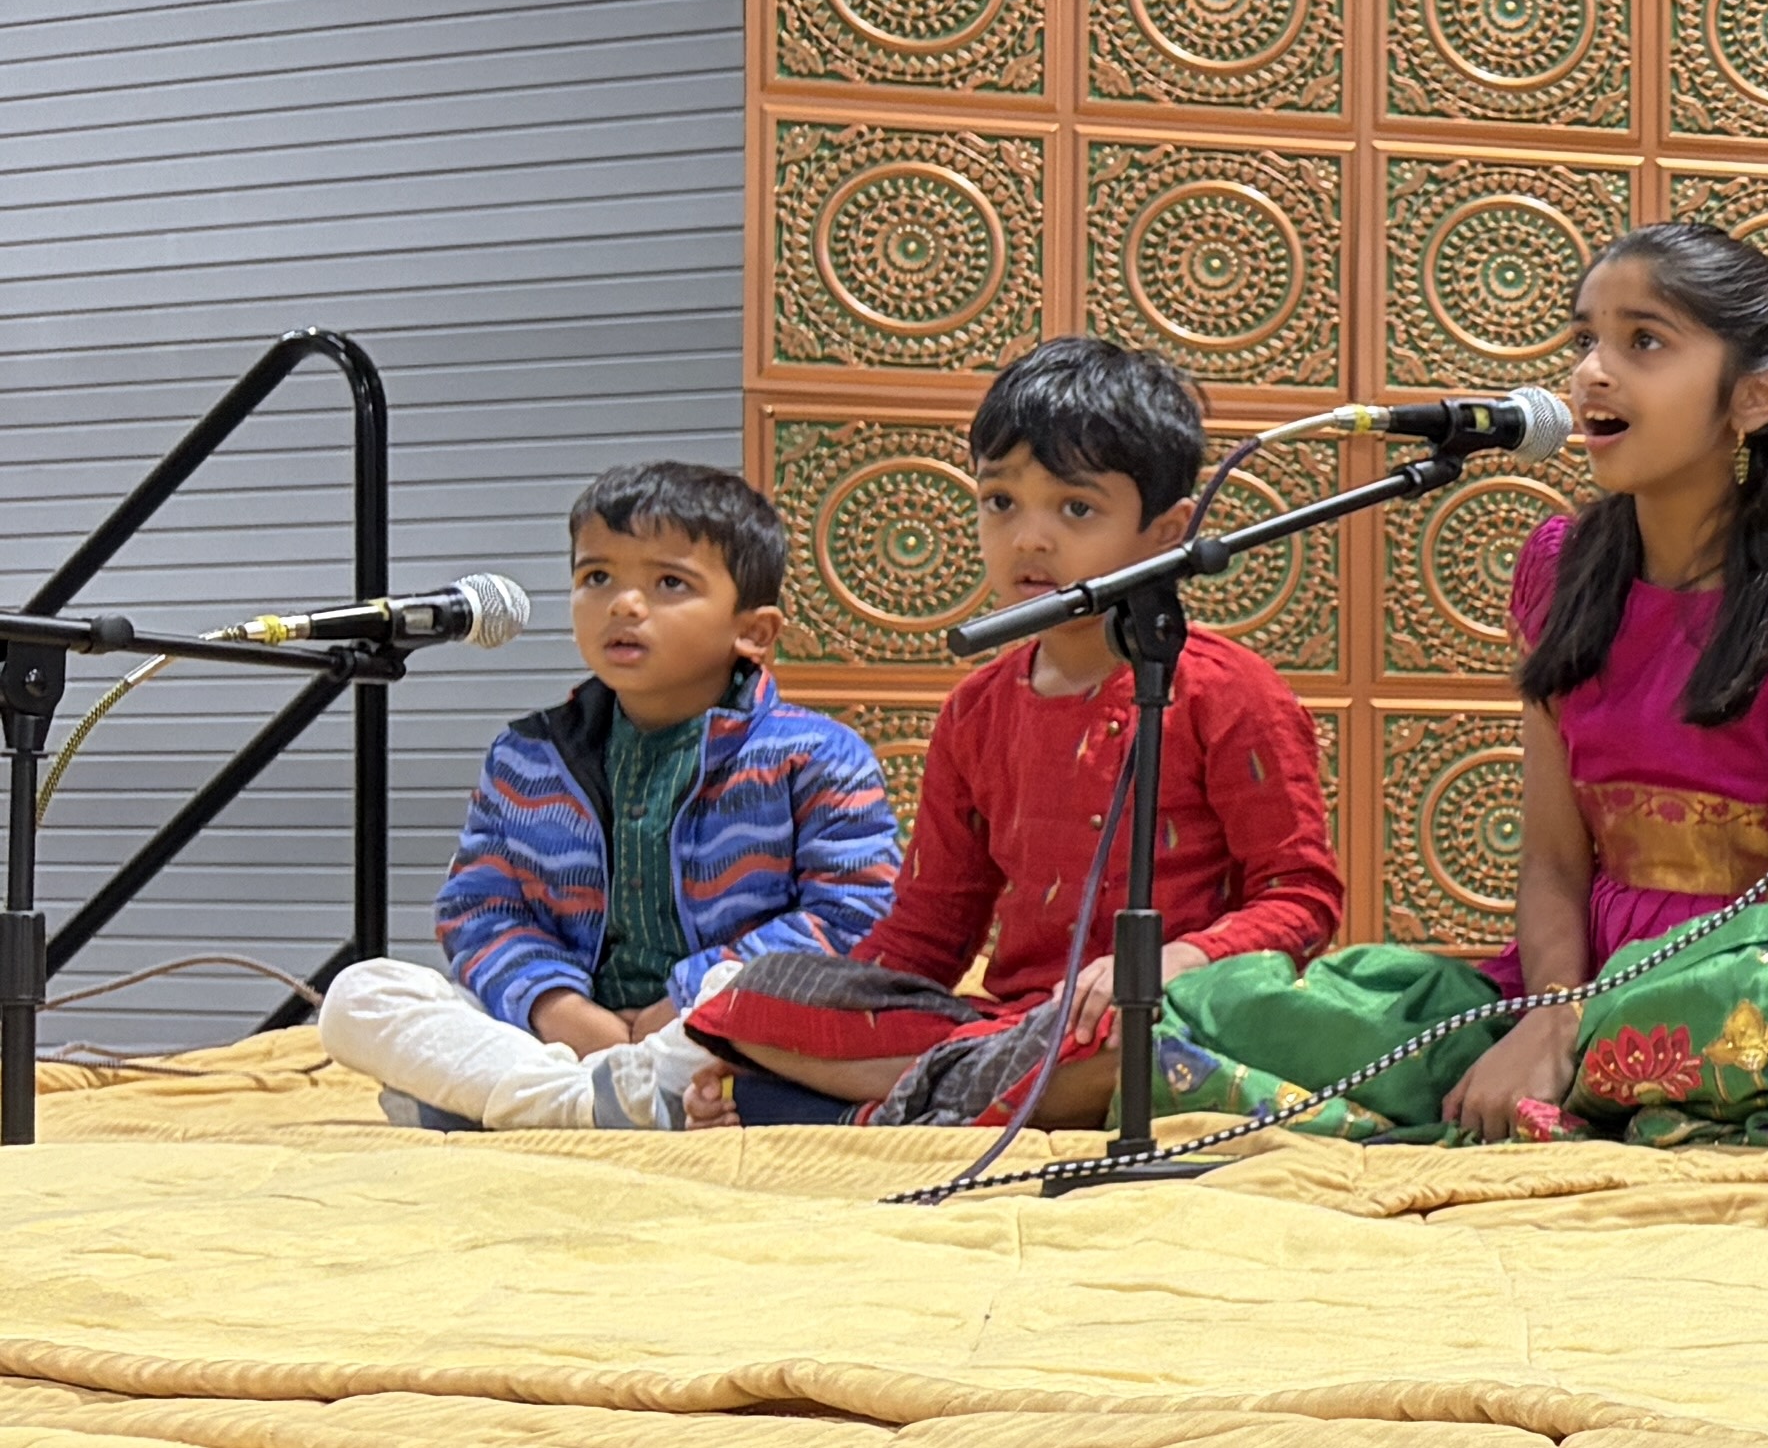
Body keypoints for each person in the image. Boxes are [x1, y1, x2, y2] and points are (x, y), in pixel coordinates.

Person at [1164, 223, 1768, 1150]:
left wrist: (1588, 1019)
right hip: (1566, 977)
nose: (1591, 371)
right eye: (1585, 338)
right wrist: (1552, 1011)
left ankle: (1563, 1084)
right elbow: (1551, 856)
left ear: (1756, 394)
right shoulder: (1558, 569)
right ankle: (1559, 1081)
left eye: (1643, 341)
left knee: (1712, 1038)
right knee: (1239, 1003)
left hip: (1749, 986)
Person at [684, 337, 1341, 1125]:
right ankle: (915, 1095)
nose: (1030, 537)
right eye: (1001, 501)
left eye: (1076, 508)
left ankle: (842, 1105)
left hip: (1164, 1012)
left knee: (1127, 1040)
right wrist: (786, 1031)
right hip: (1012, 1024)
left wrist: (1174, 961)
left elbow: (1302, 897)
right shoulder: (976, 710)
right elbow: (926, 934)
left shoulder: (1230, 690)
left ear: (1166, 531)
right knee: (748, 997)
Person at [316, 463, 898, 1130]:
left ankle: (531, 1100)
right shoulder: (526, 754)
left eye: (668, 582)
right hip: (568, 1035)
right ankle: (596, 1101)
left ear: (754, 632)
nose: (623, 603)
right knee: (362, 994)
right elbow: (479, 910)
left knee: (763, 994)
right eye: (597, 576)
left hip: (711, 1029)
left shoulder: (819, 754)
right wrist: (556, 1004)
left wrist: (682, 997)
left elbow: (856, 912)